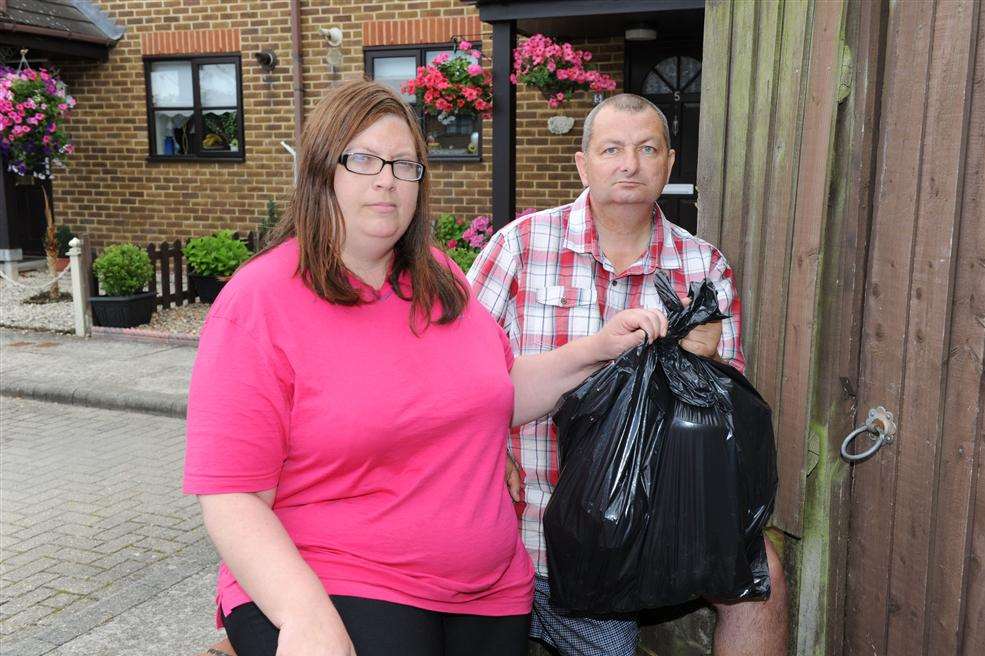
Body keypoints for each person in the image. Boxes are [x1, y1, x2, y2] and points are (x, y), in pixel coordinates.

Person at [183, 80, 669, 656]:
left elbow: (498, 392)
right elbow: (233, 495)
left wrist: (597, 349)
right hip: (339, 582)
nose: (386, 178)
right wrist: (302, 614)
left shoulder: (437, 277)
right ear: (322, 172)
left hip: (488, 594)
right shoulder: (262, 299)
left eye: (404, 164)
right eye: (362, 159)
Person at [469, 93, 789, 656]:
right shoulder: (518, 247)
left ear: (669, 163)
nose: (629, 165)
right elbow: (457, 375)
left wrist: (703, 361)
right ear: (582, 163)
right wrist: (493, 457)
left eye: (647, 149)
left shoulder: (702, 268)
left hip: (628, 536)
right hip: (512, 523)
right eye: (612, 149)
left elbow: (726, 423)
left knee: (763, 577)